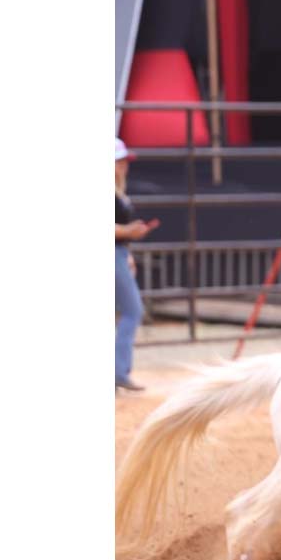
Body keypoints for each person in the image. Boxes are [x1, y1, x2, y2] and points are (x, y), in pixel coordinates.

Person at [115, 138, 154, 392]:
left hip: (117, 253)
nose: (124, 166)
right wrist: (129, 231)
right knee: (133, 311)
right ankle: (118, 370)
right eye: (119, 161)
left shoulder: (118, 191)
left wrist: (127, 248)